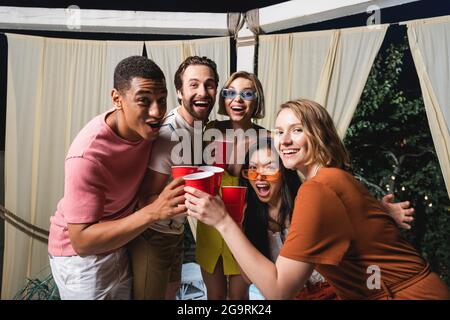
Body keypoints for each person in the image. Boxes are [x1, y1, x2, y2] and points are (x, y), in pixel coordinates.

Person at [184, 98, 450, 300]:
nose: (285, 140)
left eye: (297, 130)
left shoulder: (316, 189)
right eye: (279, 132)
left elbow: (279, 291)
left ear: (319, 134)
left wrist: (223, 222)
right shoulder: (335, 178)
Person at [47, 56, 187, 300]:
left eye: (162, 100)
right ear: (117, 99)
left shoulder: (152, 130)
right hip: (80, 259)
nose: (156, 111)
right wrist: (154, 211)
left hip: (122, 240)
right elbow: (81, 241)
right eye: (144, 100)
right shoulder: (87, 155)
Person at [240, 136, 416, 300]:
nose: (259, 176)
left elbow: (351, 216)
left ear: (284, 172)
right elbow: (248, 278)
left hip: (337, 292)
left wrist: (380, 212)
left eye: (269, 167)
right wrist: (235, 226)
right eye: (253, 168)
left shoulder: (312, 200)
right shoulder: (250, 220)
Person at [128, 56, 219, 300]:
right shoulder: (169, 135)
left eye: (209, 85)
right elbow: (147, 198)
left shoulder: (201, 127)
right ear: (179, 92)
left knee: (171, 294)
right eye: (194, 85)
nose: (203, 92)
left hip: (175, 232)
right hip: (153, 234)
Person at [196, 71, 268, 300]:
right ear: (223, 98)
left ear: (256, 101)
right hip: (210, 227)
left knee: (238, 295)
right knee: (214, 295)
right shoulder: (210, 131)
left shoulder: (266, 138)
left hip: (245, 229)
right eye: (231, 93)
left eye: (247, 94)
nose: (237, 99)